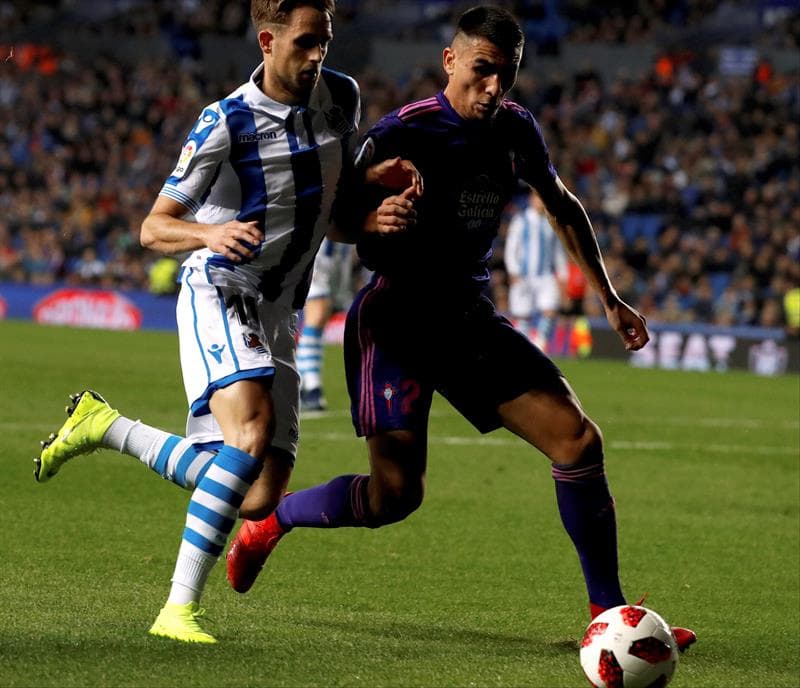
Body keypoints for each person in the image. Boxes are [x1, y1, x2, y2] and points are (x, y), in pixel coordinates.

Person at [226, 5, 696, 651]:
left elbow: (560, 202)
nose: (495, 87)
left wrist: (609, 297)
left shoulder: (515, 129)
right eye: (483, 71)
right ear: (451, 61)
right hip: (396, 321)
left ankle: (609, 618)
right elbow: (331, 214)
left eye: (506, 75)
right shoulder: (405, 131)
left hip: (469, 318)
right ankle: (272, 521)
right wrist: (366, 221)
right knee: (395, 498)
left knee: (578, 442)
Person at [33, 0, 419, 644]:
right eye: (303, 42)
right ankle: (176, 609)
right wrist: (208, 234)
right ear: (267, 41)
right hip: (222, 287)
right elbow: (153, 227)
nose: (317, 54)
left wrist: (369, 218)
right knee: (251, 432)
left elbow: (333, 209)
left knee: (255, 495)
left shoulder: (341, 98)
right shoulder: (226, 122)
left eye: (324, 40)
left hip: (283, 309)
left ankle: (106, 426)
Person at [297, 237, 356, 411]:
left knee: (322, 315)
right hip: (318, 241)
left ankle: (301, 383)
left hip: (339, 247)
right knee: (318, 310)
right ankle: (312, 387)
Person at [505, 188, 567, 350]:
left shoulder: (550, 222)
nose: (541, 202)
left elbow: (557, 251)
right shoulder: (521, 220)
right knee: (523, 315)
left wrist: (562, 274)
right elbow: (512, 247)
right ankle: (523, 348)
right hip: (524, 275)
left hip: (545, 275)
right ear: (532, 199)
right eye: (539, 198)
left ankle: (539, 344)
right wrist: (513, 270)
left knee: (551, 309)